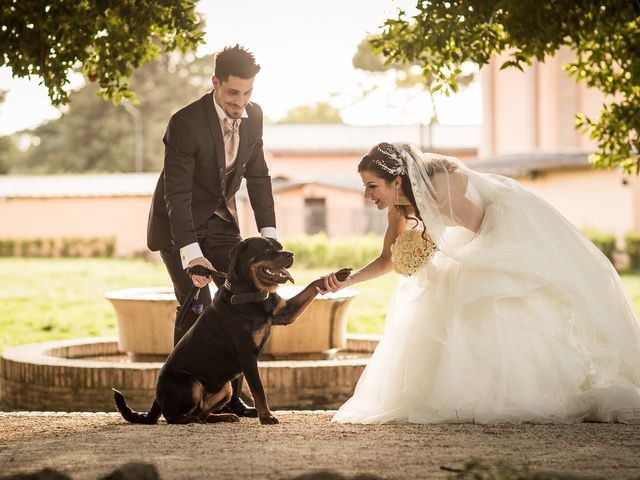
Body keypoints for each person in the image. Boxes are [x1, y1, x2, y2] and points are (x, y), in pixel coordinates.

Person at [322, 142, 640, 424]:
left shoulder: (440, 187)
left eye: (372, 186)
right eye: (365, 187)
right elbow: (387, 260)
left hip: (503, 236)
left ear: (397, 180)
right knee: (439, 298)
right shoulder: (398, 209)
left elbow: (482, 227)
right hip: (469, 243)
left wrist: (431, 244)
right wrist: (345, 280)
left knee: (479, 300)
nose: (367, 196)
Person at [147, 45, 277, 418]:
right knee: (195, 307)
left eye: (248, 93)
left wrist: (269, 236)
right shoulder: (185, 122)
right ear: (216, 83)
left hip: (220, 223)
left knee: (243, 299)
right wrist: (192, 254)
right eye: (233, 93)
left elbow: (258, 175)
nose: (241, 102)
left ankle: (228, 396)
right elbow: (178, 193)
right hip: (177, 224)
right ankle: (180, 400)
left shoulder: (254, 116)